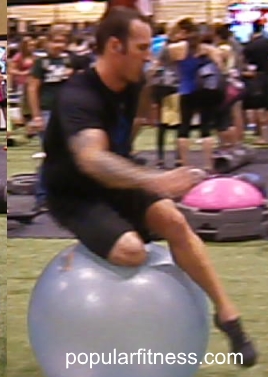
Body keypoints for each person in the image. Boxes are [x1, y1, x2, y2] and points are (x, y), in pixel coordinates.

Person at [42, 7, 256, 367]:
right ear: (115, 46)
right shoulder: (78, 95)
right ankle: (84, 253)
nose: (149, 54)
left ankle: (228, 316)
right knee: (131, 252)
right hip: (73, 194)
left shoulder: (135, 82)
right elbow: (92, 159)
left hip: (115, 183)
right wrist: (156, 179)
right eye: (142, 48)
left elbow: (134, 125)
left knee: (173, 219)